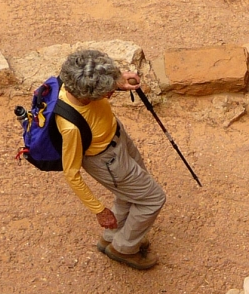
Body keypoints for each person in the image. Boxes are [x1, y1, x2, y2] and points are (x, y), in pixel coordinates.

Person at [55, 48, 166, 270]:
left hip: (116, 137)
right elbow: (71, 173)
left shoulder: (73, 78)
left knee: (130, 193)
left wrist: (118, 81)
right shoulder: (70, 128)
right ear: (89, 94)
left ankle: (111, 236)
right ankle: (123, 248)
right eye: (107, 91)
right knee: (153, 199)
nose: (110, 93)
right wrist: (99, 209)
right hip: (108, 161)